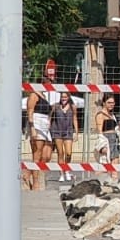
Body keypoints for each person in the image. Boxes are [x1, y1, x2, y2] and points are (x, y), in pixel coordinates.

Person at [24, 60, 59, 188]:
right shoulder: (34, 94)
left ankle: (28, 172)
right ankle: (36, 182)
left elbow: (50, 111)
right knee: (37, 153)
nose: (51, 83)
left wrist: (50, 120)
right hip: (37, 123)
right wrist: (32, 128)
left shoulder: (46, 95)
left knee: (47, 155)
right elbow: (30, 111)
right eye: (49, 81)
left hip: (45, 125)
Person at [51, 91, 78, 166]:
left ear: (68, 97)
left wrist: (76, 132)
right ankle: (62, 173)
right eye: (62, 97)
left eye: (65, 97)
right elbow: (50, 117)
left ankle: (67, 169)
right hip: (57, 131)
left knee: (68, 153)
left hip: (68, 132)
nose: (63, 99)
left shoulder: (73, 107)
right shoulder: (55, 106)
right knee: (60, 153)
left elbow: (75, 119)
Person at [95, 94, 120, 164]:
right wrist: (102, 146)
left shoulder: (112, 115)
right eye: (109, 103)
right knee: (105, 168)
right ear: (104, 103)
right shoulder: (100, 115)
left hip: (114, 141)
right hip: (106, 141)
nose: (111, 104)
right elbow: (100, 132)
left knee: (115, 168)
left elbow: (115, 129)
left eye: (113, 103)